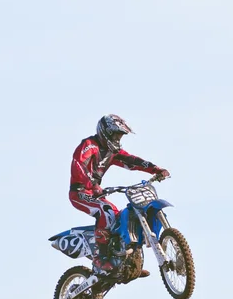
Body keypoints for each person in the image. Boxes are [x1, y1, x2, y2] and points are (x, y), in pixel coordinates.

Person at [69, 114, 170, 277]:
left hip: (96, 193)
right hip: (80, 192)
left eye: (120, 136)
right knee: (106, 212)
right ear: (105, 132)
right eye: (115, 135)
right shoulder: (90, 145)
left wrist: (155, 169)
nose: (117, 139)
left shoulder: (112, 152)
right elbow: (79, 164)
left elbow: (132, 161)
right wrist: (93, 185)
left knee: (118, 217)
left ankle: (125, 262)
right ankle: (100, 258)